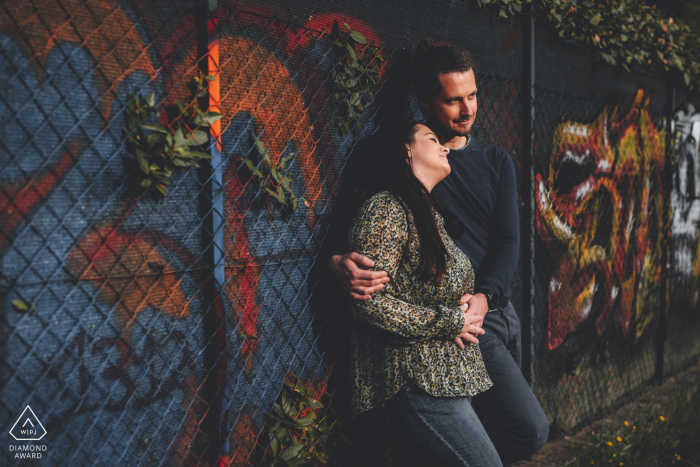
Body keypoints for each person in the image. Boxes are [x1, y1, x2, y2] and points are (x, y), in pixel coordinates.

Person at [329, 39, 549, 466]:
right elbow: (360, 219)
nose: (467, 109)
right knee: (525, 429)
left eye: (472, 96)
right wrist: (336, 261)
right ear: (427, 101)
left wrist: (485, 297)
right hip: (447, 324)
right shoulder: (404, 157)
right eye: (453, 100)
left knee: (507, 431)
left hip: (492, 310)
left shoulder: (495, 161)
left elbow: (508, 241)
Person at [345, 119, 502, 467]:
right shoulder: (386, 209)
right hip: (417, 382)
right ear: (406, 150)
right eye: (432, 139)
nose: (444, 146)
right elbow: (370, 303)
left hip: (446, 378)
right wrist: (450, 321)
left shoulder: (427, 213)